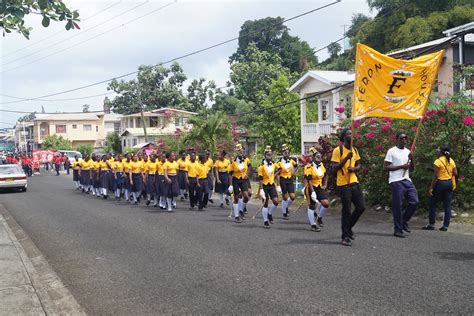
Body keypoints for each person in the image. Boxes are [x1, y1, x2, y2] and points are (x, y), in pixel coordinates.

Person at [331, 128, 366, 246]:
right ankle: (345, 236)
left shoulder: (355, 150)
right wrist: (346, 158)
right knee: (346, 210)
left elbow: (358, 165)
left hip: (354, 182)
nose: (352, 135)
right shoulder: (338, 150)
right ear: (344, 137)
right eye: (349, 133)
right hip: (343, 184)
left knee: (361, 207)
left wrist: (355, 169)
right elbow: (334, 168)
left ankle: (348, 227)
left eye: (352, 133)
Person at [384, 132, 419, 238]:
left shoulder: (408, 152)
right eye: (402, 138)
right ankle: (398, 229)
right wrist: (401, 167)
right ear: (397, 139)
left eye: (405, 138)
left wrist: (411, 159)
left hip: (406, 180)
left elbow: (412, 169)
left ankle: (403, 221)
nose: (404, 139)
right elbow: (386, 167)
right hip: (396, 181)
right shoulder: (391, 151)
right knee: (397, 206)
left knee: (415, 201)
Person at [423, 145, 458, 231]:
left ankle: (431, 224)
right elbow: (456, 173)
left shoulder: (438, 161)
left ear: (441, 152)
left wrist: (431, 188)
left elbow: (436, 176)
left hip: (440, 184)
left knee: (432, 202)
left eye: (438, 150)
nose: (437, 152)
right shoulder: (451, 161)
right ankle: (445, 226)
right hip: (449, 184)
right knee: (447, 205)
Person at [304, 147, 330, 232]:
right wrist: (313, 192)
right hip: (311, 187)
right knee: (312, 206)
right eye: (317, 157)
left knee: (326, 203)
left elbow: (326, 174)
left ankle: (319, 218)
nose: (319, 159)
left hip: (319, 187)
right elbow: (309, 180)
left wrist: (325, 184)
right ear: (313, 158)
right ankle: (313, 225)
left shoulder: (322, 165)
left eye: (320, 157)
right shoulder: (308, 167)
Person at [228, 144, 251, 223]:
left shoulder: (246, 159)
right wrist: (230, 185)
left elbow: (249, 166)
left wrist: (247, 174)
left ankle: (241, 210)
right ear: (236, 152)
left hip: (243, 179)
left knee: (246, 196)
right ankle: (237, 216)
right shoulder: (233, 162)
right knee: (236, 198)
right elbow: (230, 174)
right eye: (239, 151)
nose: (241, 152)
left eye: (241, 150)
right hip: (236, 180)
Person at [257, 146, 279, 229]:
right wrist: (261, 189)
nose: (270, 156)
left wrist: (274, 175)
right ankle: (265, 221)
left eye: (271, 155)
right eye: (268, 155)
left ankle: (270, 214)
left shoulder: (274, 164)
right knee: (265, 203)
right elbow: (260, 179)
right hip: (264, 185)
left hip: (272, 184)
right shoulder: (261, 166)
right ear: (265, 155)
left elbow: (279, 169)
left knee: (276, 201)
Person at [276, 144, 298, 219]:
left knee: (292, 197)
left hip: (290, 179)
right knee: (285, 197)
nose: (287, 154)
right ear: (282, 153)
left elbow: (296, 166)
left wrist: (293, 172)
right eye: (285, 153)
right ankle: (284, 213)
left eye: (288, 153)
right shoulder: (279, 163)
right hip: (283, 180)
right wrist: (278, 184)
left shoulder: (292, 161)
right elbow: (278, 174)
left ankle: (286, 207)